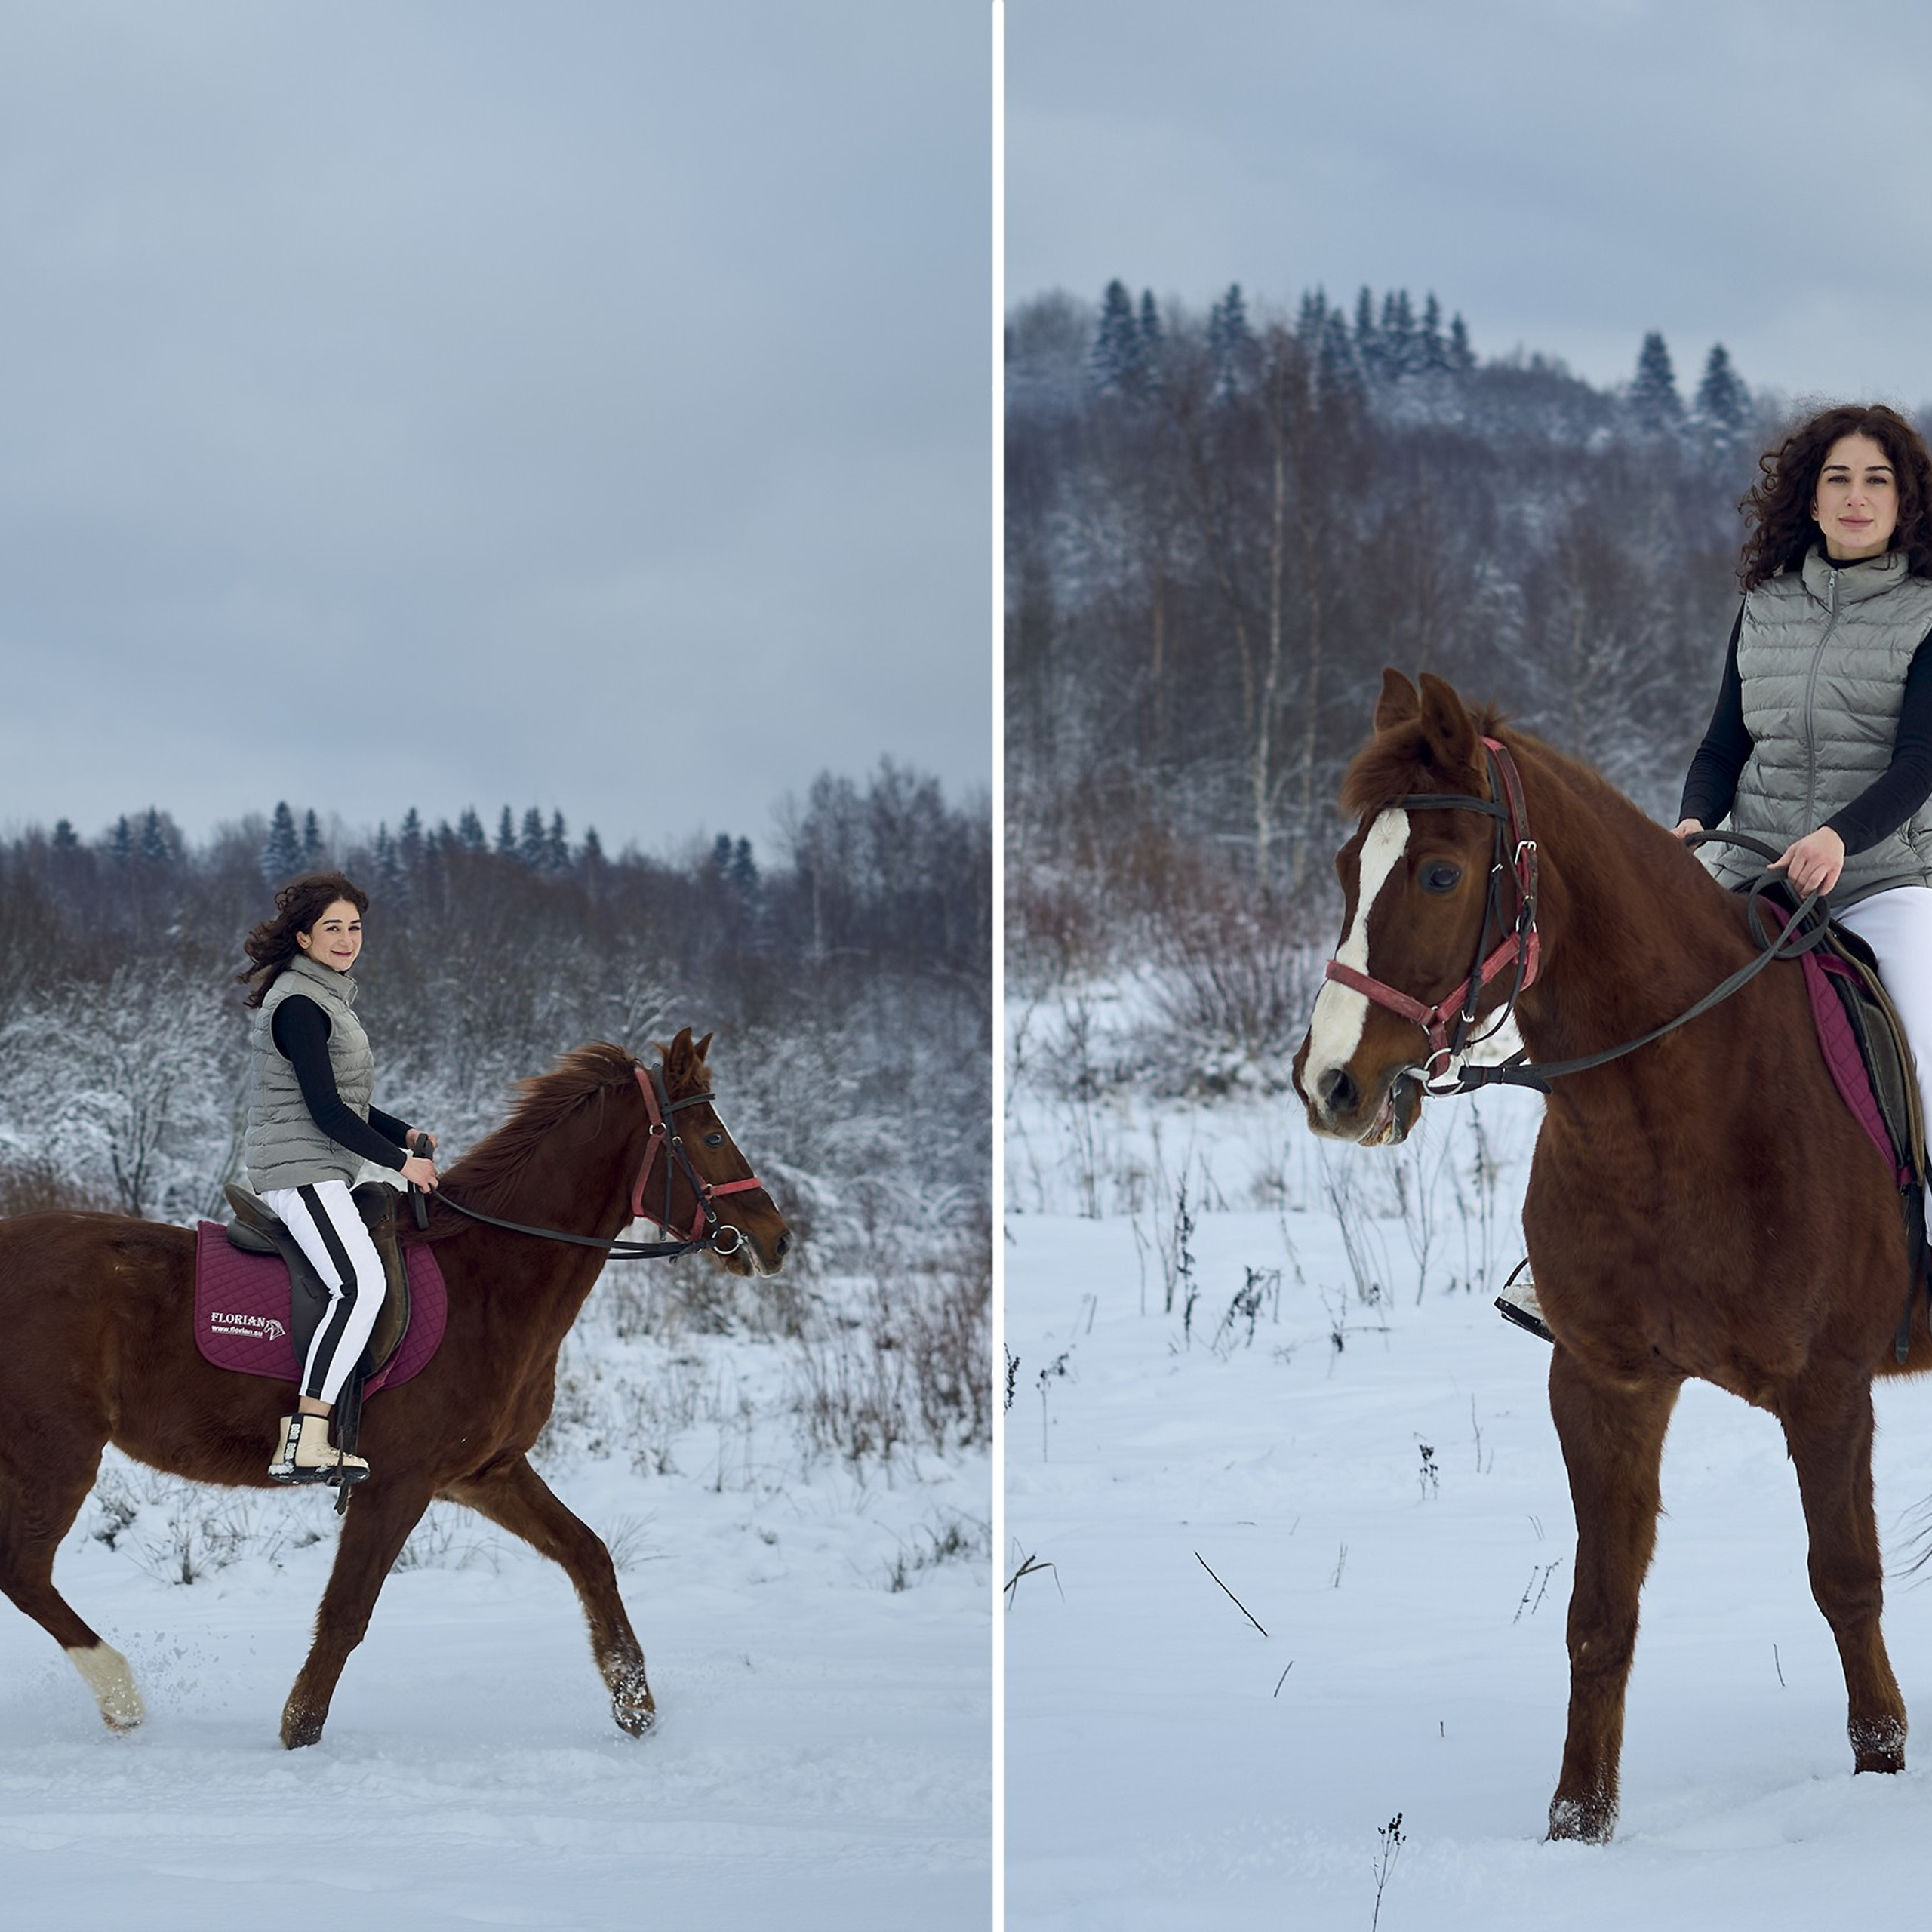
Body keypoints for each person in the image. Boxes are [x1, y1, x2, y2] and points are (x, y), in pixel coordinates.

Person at [1677, 402, 1932, 1151]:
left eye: (1877, 481)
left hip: (1879, 881)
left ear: (1902, 501)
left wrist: (1835, 840)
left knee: (1922, 1061)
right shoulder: (1762, 609)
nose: (1857, 497)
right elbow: (1720, 748)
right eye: (1839, 479)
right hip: (1752, 873)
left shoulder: (1926, 617)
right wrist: (1694, 820)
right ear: (1812, 501)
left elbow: (1919, 763)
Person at [235, 872, 439, 1484]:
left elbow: (341, 1100)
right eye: (333, 928)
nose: (347, 939)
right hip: (297, 1169)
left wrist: (401, 1131)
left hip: (318, 1163)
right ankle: (306, 1436)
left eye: (354, 928)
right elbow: (325, 1112)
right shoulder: (299, 1005)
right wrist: (401, 1163)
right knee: (361, 1287)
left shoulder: (326, 999)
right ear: (303, 937)